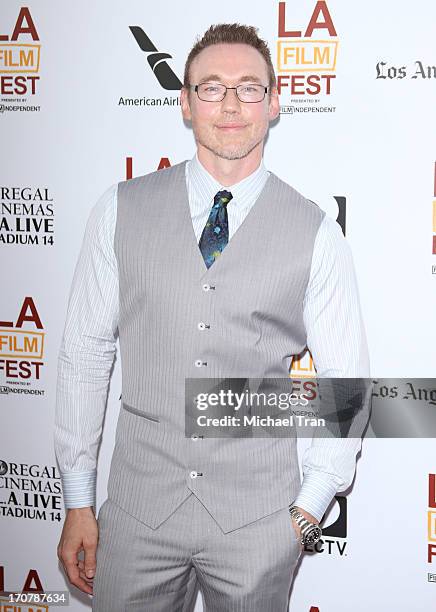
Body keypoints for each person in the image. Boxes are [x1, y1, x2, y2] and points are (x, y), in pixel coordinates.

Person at [54, 23, 370, 612]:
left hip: (259, 527)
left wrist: (303, 519)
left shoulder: (317, 235)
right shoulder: (119, 211)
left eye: (249, 88)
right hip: (136, 517)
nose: (230, 104)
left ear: (274, 104)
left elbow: (344, 391)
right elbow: (83, 356)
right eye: (211, 87)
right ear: (184, 101)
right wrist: (77, 499)